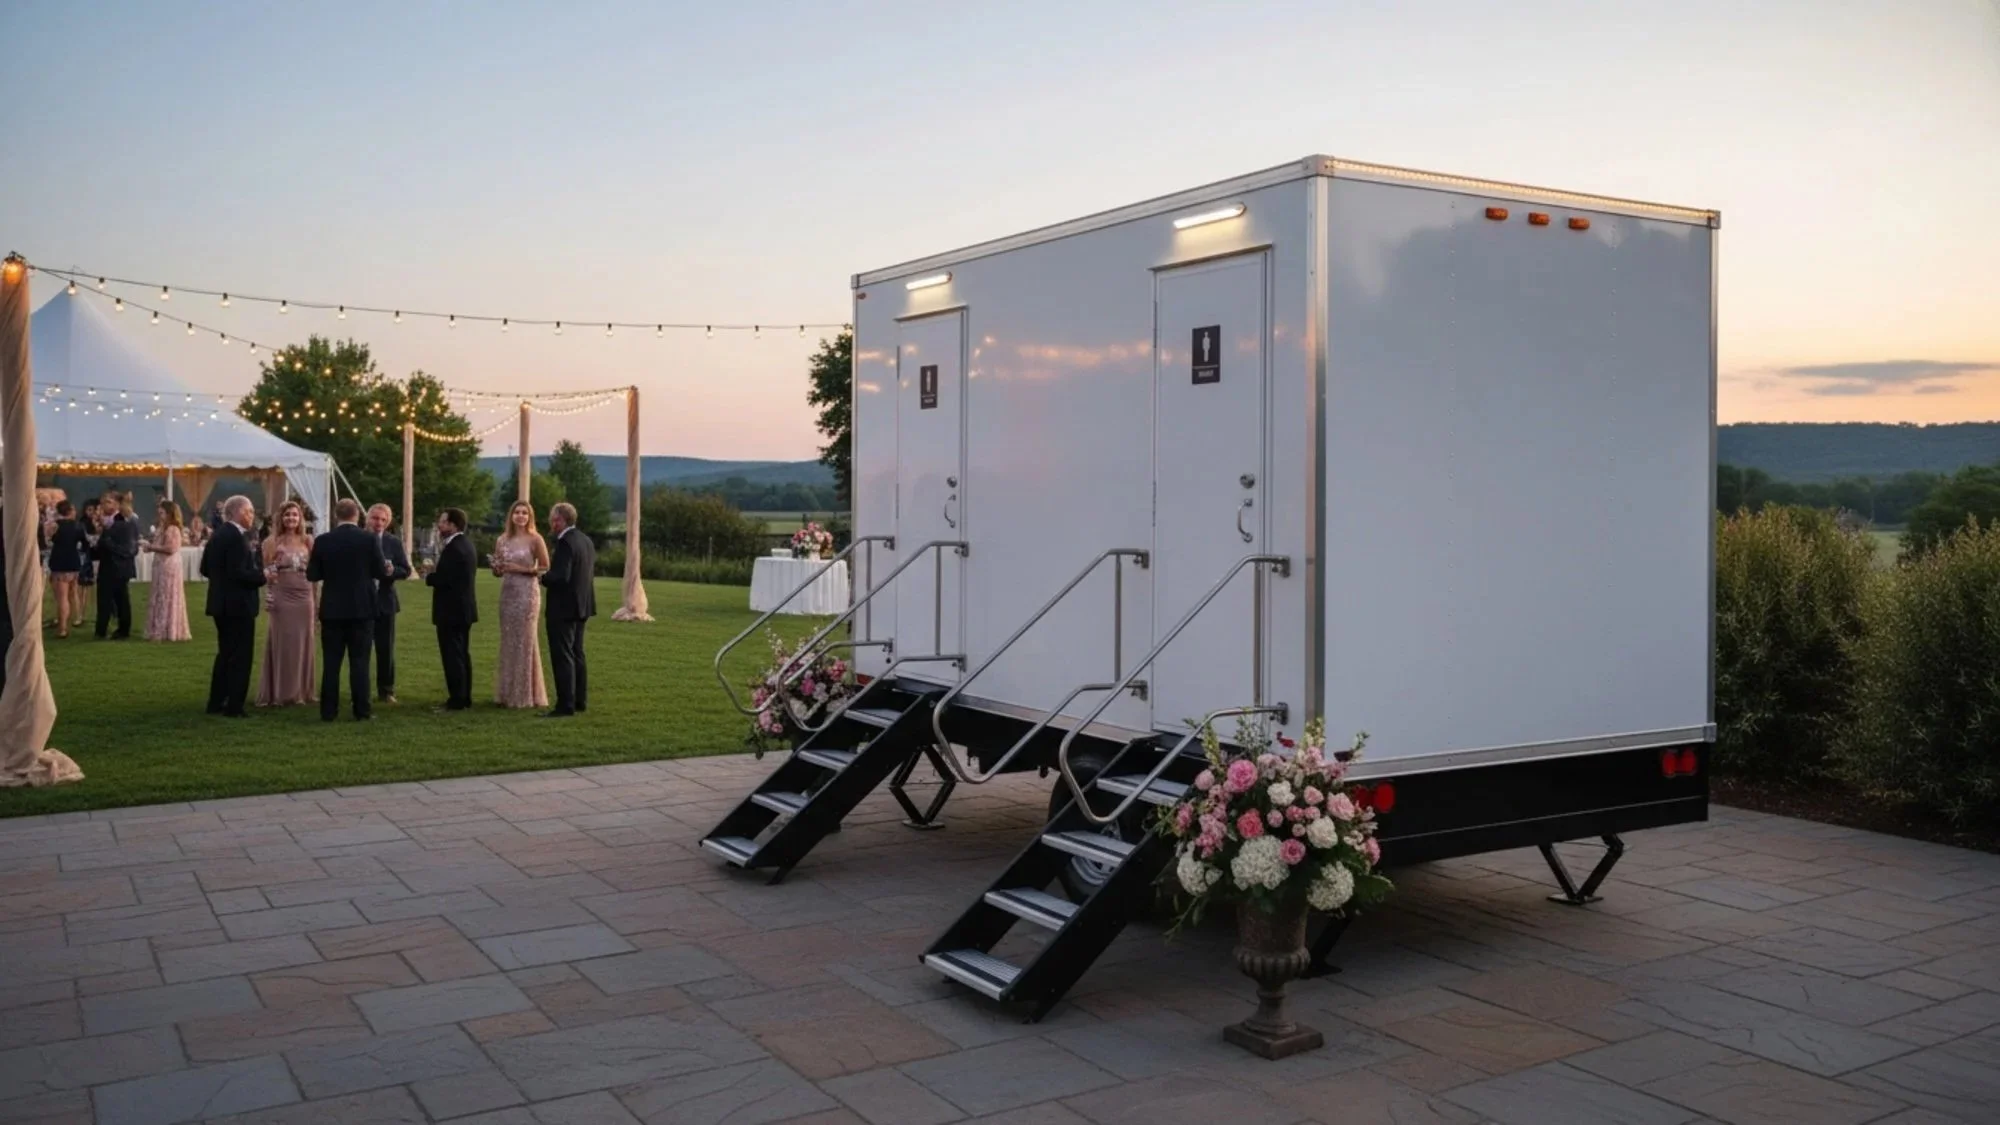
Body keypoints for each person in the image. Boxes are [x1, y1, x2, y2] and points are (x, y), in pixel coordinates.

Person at [307, 498, 389, 722]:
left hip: (333, 608)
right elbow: (381, 572)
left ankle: (328, 711)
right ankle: (362, 710)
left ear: (336, 516)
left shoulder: (323, 541)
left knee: (331, 663)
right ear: (357, 516)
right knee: (360, 661)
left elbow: (312, 575)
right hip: (362, 608)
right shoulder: (369, 540)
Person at [201, 496, 266, 717]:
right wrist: (263, 575)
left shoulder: (217, 535)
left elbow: (204, 568)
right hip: (238, 605)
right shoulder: (237, 538)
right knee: (240, 656)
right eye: (249, 512)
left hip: (220, 603)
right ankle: (234, 705)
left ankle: (217, 701)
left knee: (225, 653)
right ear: (238, 512)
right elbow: (240, 574)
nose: (252, 516)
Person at [256, 499, 317, 707]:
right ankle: (281, 692)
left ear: (300, 518)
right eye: (287, 515)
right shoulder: (272, 542)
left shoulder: (308, 541)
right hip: (282, 594)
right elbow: (265, 571)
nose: (291, 518)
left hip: (304, 595)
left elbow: (315, 573)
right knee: (283, 642)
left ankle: (302, 691)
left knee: (304, 642)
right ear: (280, 518)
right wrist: (269, 592)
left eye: (294, 515)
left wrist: (316, 602)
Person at [540, 501, 597, 718]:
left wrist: (542, 577)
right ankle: (579, 700)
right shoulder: (585, 540)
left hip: (563, 608)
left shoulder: (565, 543)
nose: (551, 523)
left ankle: (565, 704)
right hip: (582, 605)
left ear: (559, 520)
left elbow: (561, 576)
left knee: (562, 655)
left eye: (553, 519)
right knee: (577, 653)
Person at [492, 500, 550, 710]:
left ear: (530, 517)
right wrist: (497, 569)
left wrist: (519, 569)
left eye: (525, 513)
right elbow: (499, 569)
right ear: (511, 516)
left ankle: (525, 694)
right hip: (508, 593)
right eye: (517, 512)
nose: (520, 516)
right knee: (509, 641)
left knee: (525, 642)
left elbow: (544, 567)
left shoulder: (536, 539)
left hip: (527, 594)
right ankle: (506, 692)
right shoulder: (502, 539)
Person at [423, 507, 478, 711]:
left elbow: (447, 579)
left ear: (453, 525)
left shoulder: (455, 548)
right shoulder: (465, 545)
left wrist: (429, 575)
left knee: (453, 655)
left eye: (443, 522)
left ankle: (457, 700)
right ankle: (464, 697)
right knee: (462, 654)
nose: (440, 525)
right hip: (463, 609)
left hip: (452, 611)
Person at [366, 503, 411, 704]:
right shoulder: (359, 540)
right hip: (362, 602)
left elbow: (406, 570)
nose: (379, 523)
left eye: (383, 520)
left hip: (386, 602)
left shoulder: (393, 542)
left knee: (386, 649)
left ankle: (386, 691)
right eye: (375, 518)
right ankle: (361, 691)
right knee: (362, 650)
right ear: (367, 518)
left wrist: (394, 572)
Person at [140, 500, 192, 642]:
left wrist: (151, 547)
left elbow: (171, 548)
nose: (160, 516)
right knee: (159, 595)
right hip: (161, 564)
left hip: (168, 565)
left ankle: (163, 629)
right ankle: (159, 628)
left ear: (169, 513)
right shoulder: (163, 528)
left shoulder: (173, 529)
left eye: (162, 513)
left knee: (166, 595)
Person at [92, 493, 139, 639]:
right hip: (107, 566)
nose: (104, 506)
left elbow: (130, 549)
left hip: (119, 567)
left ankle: (122, 630)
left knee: (121, 600)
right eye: (103, 502)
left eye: (108, 502)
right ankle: (102, 630)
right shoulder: (103, 522)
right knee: (105, 600)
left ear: (117, 505)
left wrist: (105, 539)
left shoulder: (126, 522)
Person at [47, 501, 87, 638]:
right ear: (70, 511)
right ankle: (76, 618)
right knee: (72, 593)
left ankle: (63, 627)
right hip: (74, 562)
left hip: (59, 563)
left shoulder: (55, 526)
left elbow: (48, 541)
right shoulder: (78, 526)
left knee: (62, 597)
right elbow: (85, 544)